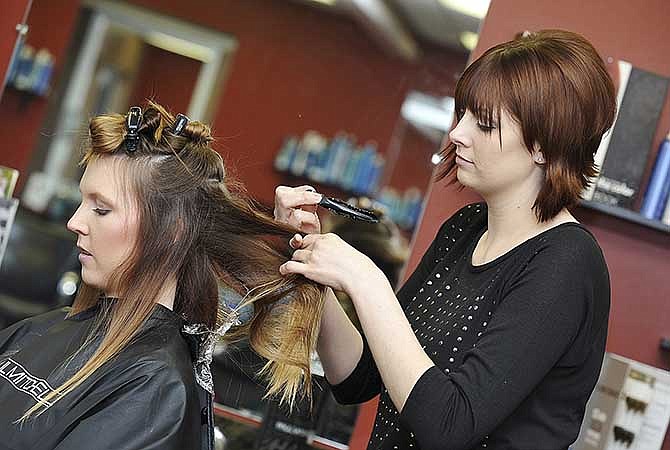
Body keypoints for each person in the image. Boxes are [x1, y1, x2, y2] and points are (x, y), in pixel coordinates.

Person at [274, 29, 615, 450]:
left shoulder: (566, 263)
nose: (457, 133)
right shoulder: (465, 228)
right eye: (463, 114)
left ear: (544, 147)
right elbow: (359, 379)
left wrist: (365, 280)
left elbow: (450, 427)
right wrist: (314, 264)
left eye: (484, 123)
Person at [0, 101, 326, 450]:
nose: (75, 222)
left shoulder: (155, 388)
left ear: (172, 229)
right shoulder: (38, 330)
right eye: (82, 202)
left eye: (101, 209)